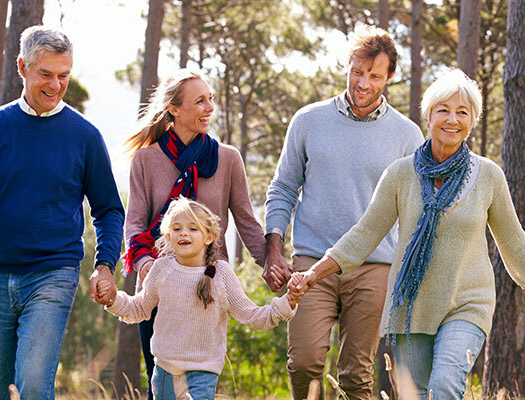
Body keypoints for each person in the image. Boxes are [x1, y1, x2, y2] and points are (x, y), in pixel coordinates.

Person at [288, 69, 525, 399]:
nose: (452, 120)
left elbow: (513, 239)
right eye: (444, 110)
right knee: (416, 395)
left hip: (467, 302)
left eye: (463, 112)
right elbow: (364, 234)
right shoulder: (400, 174)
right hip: (411, 306)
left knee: (446, 384)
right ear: (428, 115)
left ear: (473, 120)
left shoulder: (488, 176)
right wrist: (313, 274)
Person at [0, 26, 124, 400]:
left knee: (35, 385)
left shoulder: (84, 136)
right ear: (22, 67)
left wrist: (105, 264)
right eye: (46, 74)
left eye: (64, 75)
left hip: (53, 274)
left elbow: (108, 209)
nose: (56, 85)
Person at [263, 25, 424, 399]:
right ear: (348, 66)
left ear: (390, 77)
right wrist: (273, 249)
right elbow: (283, 187)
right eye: (356, 71)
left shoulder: (407, 135)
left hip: (374, 267)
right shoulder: (308, 120)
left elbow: (415, 212)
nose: (362, 83)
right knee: (304, 362)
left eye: (373, 75)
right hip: (311, 261)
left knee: (356, 375)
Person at [119, 69, 268, 394]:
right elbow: (135, 222)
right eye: (199, 101)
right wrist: (145, 265)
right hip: (160, 285)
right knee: (160, 384)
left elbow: (246, 221)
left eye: (210, 100)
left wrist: (269, 265)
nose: (209, 108)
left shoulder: (228, 159)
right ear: (174, 108)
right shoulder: (145, 160)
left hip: (209, 287)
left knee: (201, 385)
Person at [95, 198, 299, 400]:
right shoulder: (161, 269)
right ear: (168, 235)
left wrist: (286, 302)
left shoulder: (221, 274)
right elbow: (139, 308)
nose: (183, 233)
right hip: (165, 371)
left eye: (193, 228)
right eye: (177, 228)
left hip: (202, 373)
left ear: (209, 236)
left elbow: (252, 315)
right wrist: (113, 300)